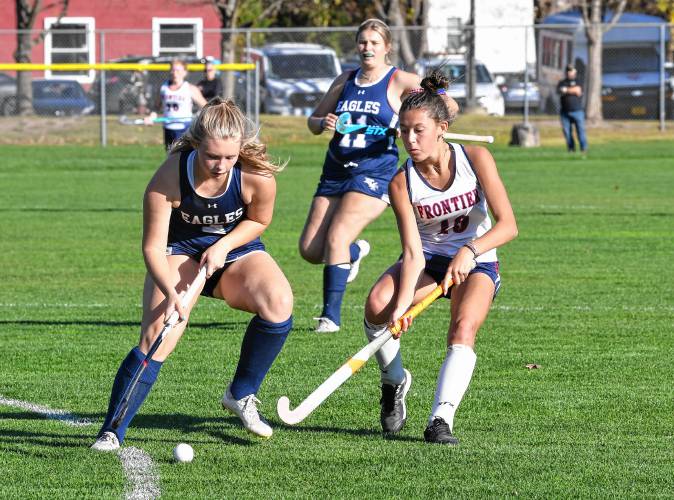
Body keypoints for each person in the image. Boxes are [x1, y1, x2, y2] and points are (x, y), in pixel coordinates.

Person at [91, 97, 293, 451]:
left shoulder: (255, 176)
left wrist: (224, 246)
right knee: (159, 335)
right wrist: (171, 293)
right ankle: (112, 431)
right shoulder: (170, 176)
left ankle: (241, 394)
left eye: (230, 157)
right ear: (197, 143)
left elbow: (259, 221)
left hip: (236, 253)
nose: (221, 165)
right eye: (212, 156)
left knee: (279, 303)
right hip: (180, 253)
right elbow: (153, 247)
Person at [362, 71, 517, 444]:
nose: (410, 140)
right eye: (404, 131)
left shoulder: (476, 158)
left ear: (441, 128)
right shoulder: (402, 182)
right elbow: (413, 252)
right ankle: (394, 379)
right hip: (430, 260)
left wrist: (470, 249)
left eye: (419, 130)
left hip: (477, 260)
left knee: (463, 330)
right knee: (377, 306)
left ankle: (440, 420)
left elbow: (509, 225)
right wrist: (400, 308)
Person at [301, 19, 456, 333]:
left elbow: (446, 104)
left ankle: (330, 317)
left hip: (374, 171)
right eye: (362, 42)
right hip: (335, 169)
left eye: (374, 42)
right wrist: (322, 123)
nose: (367, 48)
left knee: (337, 237)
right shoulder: (345, 80)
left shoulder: (398, 80)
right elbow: (313, 120)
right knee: (310, 250)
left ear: (387, 47)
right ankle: (353, 253)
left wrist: (423, 115)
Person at [157, 59, 208, 150]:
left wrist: (200, 118)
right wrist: (152, 115)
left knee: (181, 156)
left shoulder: (189, 88)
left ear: (184, 72)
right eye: (173, 70)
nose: (174, 73)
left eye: (178, 70)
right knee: (170, 157)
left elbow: (206, 107)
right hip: (168, 127)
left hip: (184, 128)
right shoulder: (164, 87)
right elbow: (158, 107)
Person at [557, 63, 588, 153]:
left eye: (571, 71)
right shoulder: (562, 82)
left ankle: (584, 149)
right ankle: (571, 149)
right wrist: (571, 90)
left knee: (580, 131)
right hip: (565, 112)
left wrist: (566, 90)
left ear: (574, 72)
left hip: (577, 111)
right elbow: (559, 90)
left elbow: (578, 91)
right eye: (568, 71)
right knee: (567, 133)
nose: (569, 73)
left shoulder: (579, 81)